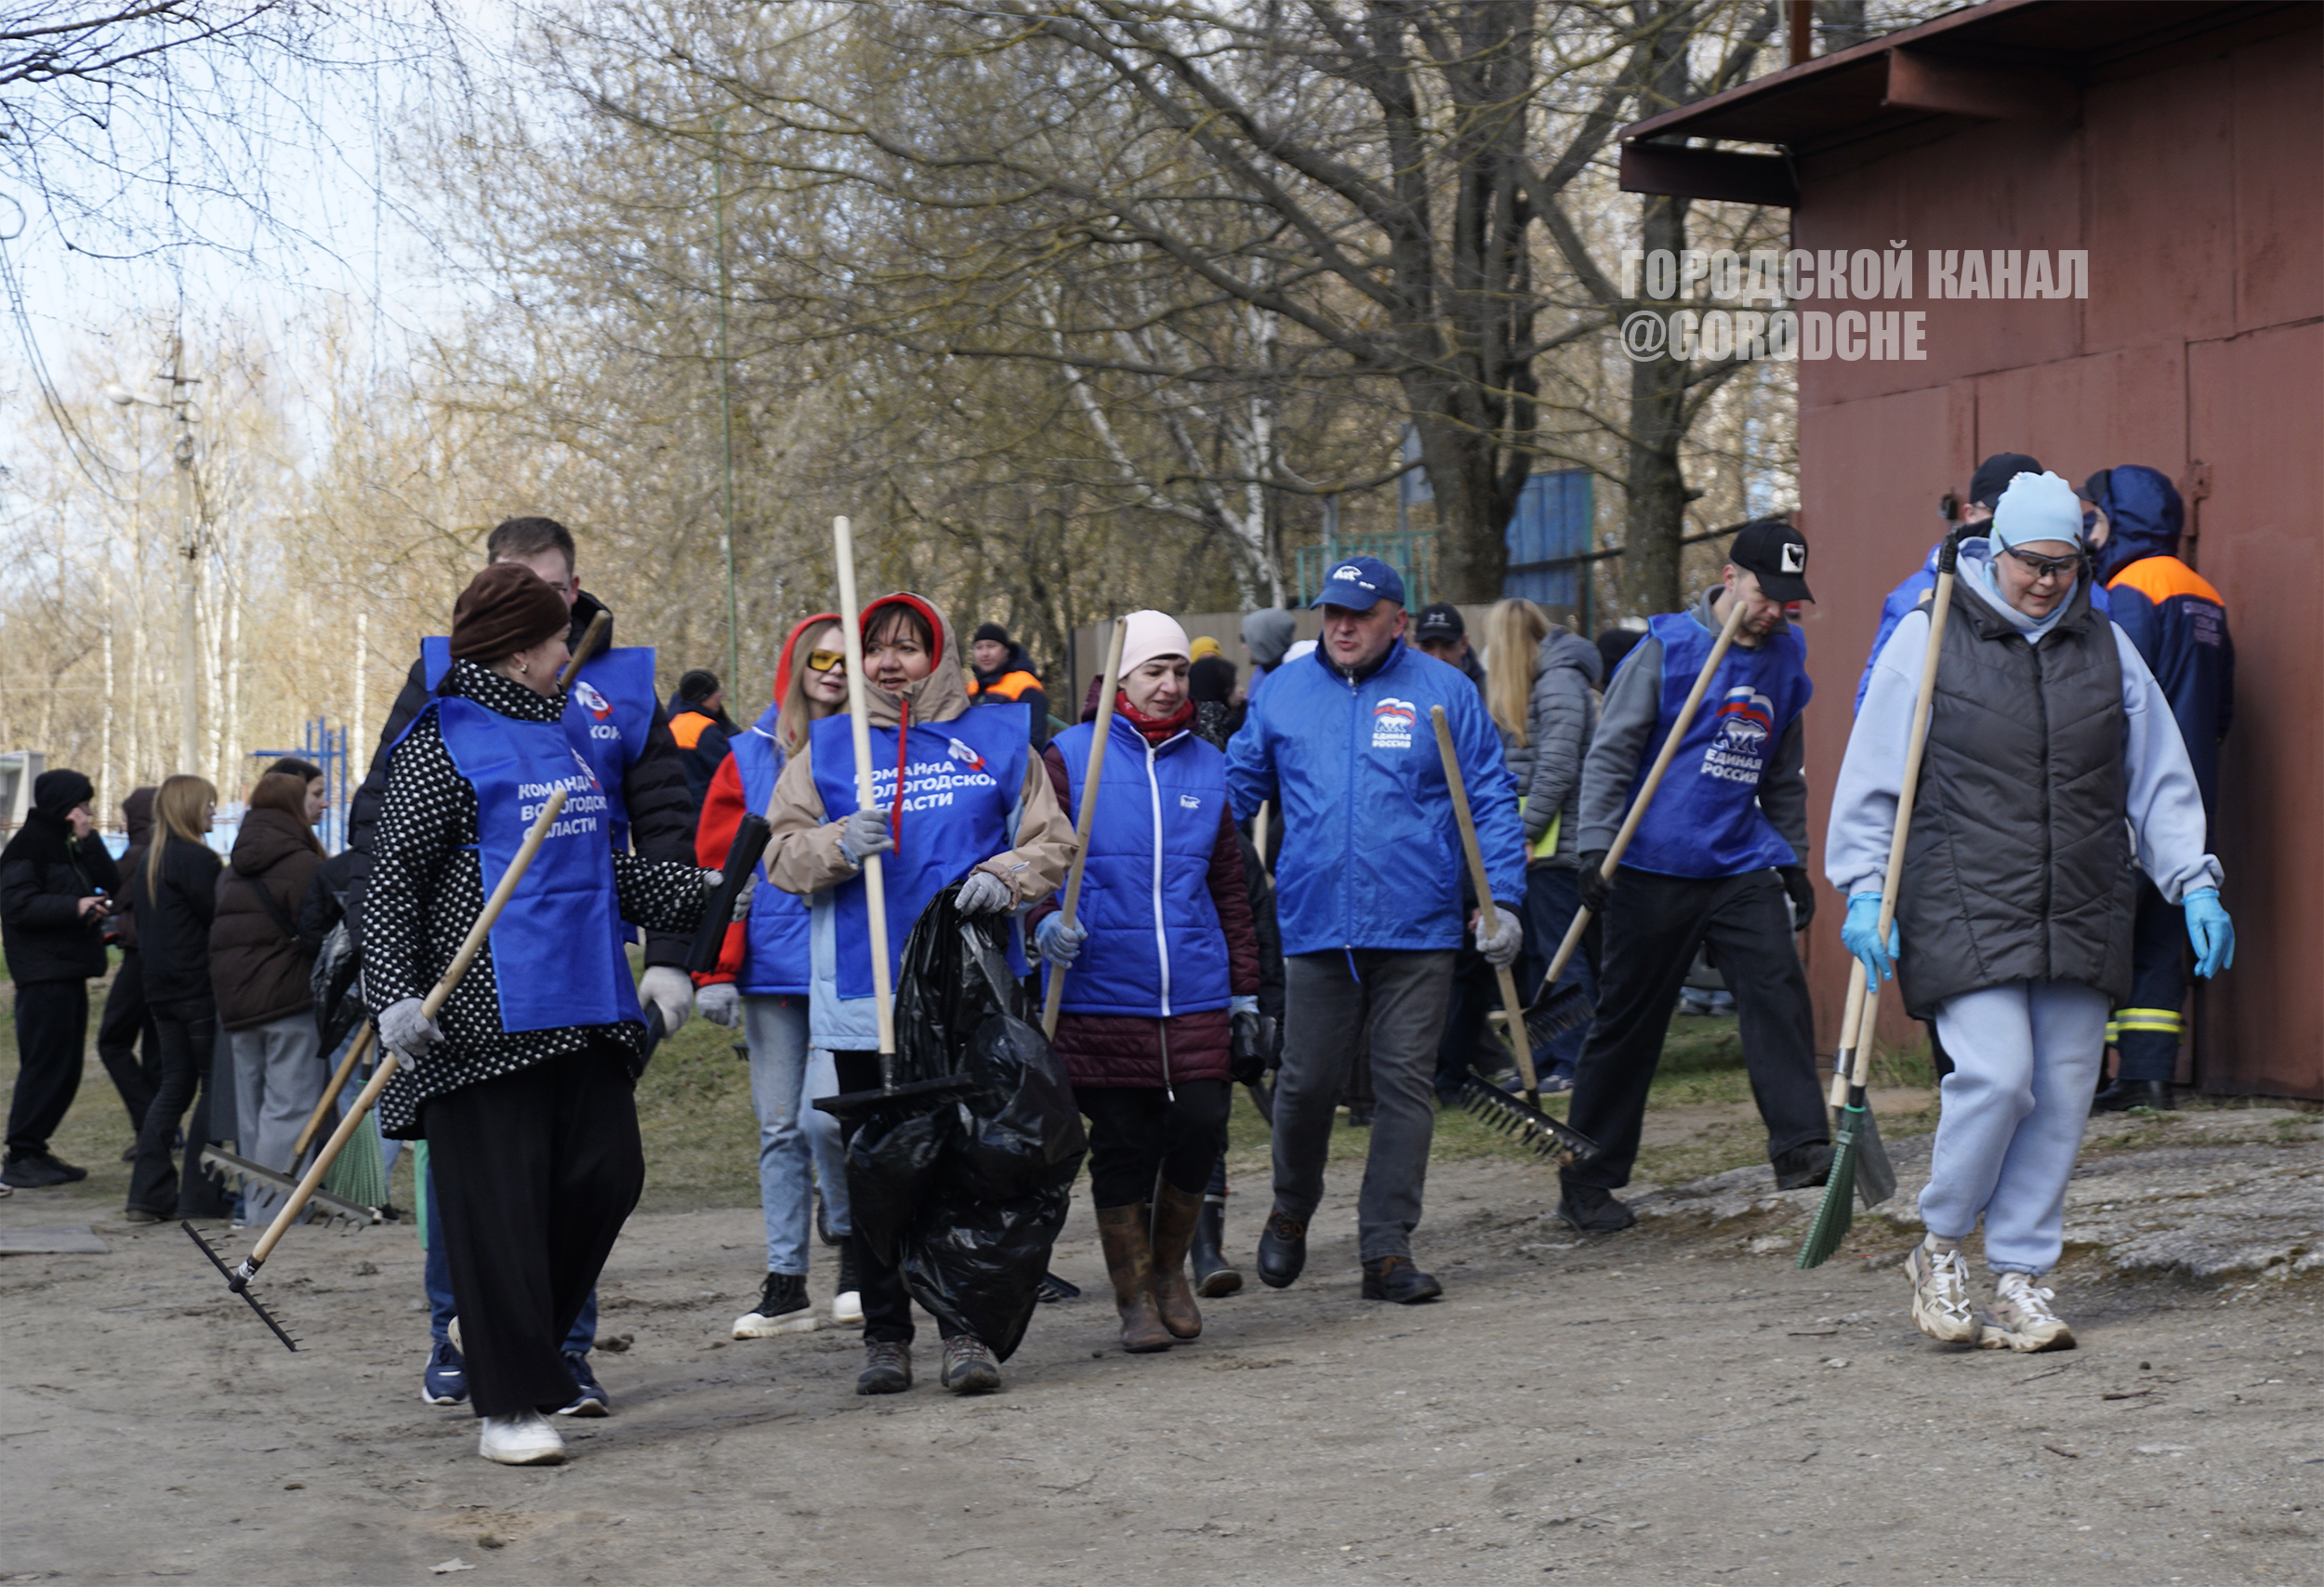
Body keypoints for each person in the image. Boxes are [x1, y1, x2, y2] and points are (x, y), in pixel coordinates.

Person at [1828, 470, 2229, 1352]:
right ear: (1993, 549)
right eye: (2030, 565)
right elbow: (1874, 775)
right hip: (1964, 896)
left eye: (2064, 566)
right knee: (1999, 1078)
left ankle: (2021, 1274)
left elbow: (2158, 774)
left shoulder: (2109, 645)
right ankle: (1940, 1246)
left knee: (2061, 1096)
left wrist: (2192, 879)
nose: (2046, 582)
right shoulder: (1927, 636)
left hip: (2083, 898)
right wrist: (1865, 886)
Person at [363, 563, 725, 1465]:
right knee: (499, 1215)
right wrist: (393, 997)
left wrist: (708, 894)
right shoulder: (440, 739)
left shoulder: (564, 735)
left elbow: (605, 872)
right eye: (561, 638)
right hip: (479, 1022)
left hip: (585, 1008)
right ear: (523, 651)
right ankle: (509, 1400)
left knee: (609, 1175)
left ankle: (515, 1349)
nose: (573, 651)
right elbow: (392, 876)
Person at [766, 591, 1075, 1395]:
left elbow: (1050, 840)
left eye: (910, 646)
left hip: (966, 992)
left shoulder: (999, 738)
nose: (891, 662)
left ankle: (965, 1331)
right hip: (866, 991)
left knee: (966, 1163)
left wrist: (1003, 877)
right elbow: (781, 856)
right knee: (880, 1165)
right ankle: (885, 1331)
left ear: (938, 655)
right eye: (877, 649)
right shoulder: (829, 749)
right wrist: (836, 842)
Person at [1225, 556, 1525, 1304]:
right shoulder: (1283, 693)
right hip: (1316, 922)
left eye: (1359, 614)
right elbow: (1233, 793)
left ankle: (1386, 1247)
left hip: (1418, 924)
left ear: (1398, 618)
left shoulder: (1445, 692)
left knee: (1404, 1086)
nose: (1343, 626)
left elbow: (1488, 798)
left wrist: (1505, 901)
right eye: (1332, 613)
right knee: (1303, 1084)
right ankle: (1292, 1208)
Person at [1556, 520, 1829, 1235]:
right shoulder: (1665, 650)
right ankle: (1587, 1178)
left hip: (1738, 858)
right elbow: (1611, 757)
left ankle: (1802, 1146)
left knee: (1777, 987)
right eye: (1766, 595)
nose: (1775, 611)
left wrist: (1792, 858)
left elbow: (1783, 772)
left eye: (1787, 602)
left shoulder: (1785, 658)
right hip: (1651, 864)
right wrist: (1593, 848)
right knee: (1629, 1021)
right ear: (1732, 577)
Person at [1028, 611, 1260, 1354]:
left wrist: (1246, 991)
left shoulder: (1207, 763)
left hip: (1192, 984)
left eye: (1178, 672)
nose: (1167, 685)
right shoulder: (1068, 757)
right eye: (1152, 671)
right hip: (1100, 984)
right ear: (1119, 678)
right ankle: (1132, 1297)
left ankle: (1169, 1273)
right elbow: (1037, 860)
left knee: (1199, 1125)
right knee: (1123, 1142)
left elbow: (1230, 886)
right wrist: (1040, 922)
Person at [694, 614, 860, 1337]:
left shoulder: (874, 748)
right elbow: (717, 871)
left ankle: (856, 1259)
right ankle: (787, 1281)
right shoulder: (743, 755)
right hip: (766, 964)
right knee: (778, 1126)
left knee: (829, 1116)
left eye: (845, 659)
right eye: (819, 657)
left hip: (844, 957)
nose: (832, 669)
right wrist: (711, 968)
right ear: (796, 663)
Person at [2079, 467, 2233, 1113]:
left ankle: (2085, 1077)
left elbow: (2116, 694)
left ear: (2123, 518)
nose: (2088, 528)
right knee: (2163, 937)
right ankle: (2147, 1075)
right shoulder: (2204, 594)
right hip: (2193, 788)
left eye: (2096, 515)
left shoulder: (2129, 589)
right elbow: (2221, 707)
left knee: (2106, 934)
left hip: (2133, 791)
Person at [212, 771, 328, 1225]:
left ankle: (256, 1211)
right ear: (292, 805)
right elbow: (322, 935)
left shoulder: (231, 869)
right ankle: (274, 1219)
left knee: (252, 1116)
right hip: (288, 1003)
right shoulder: (303, 866)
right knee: (290, 1111)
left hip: (238, 1009)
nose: (321, 806)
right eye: (314, 797)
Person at [1, 770, 122, 1189]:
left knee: (65, 1068)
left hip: (65, 969)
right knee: (46, 1064)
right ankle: (22, 1151)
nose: (89, 812)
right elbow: (18, 906)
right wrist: (75, 906)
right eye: (83, 804)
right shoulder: (30, 847)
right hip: (43, 974)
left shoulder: (67, 845)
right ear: (64, 806)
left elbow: (116, 883)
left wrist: (89, 841)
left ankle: (33, 1148)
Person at [1501, 601, 1604, 1091]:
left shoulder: (1557, 682)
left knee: (1563, 955)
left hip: (1558, 846)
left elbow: (1558, 768)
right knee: (1543, 956)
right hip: (1543, 844)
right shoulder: (1549, 681)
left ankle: (1574, 1060)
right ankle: (1542, 1059)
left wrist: (1525, 831)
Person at [123, 776, 224, 1220]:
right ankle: (201, 1197)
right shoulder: (198, 860)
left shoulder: (151, 860)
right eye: (208, 806)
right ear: (188, 809)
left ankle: (146, 1194)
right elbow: (216, 921)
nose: (214, 813)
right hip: (197, 989)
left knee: (173, 1088)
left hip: (161, 991)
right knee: (211, 1089)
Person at [94, 787, 164, 1149]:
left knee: (112, 1041)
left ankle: (151, 1122)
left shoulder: (137, 856)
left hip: (139, 955)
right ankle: (157, 1130)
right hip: (163, 957)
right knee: (155, 1046)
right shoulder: (165, 851)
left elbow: (114, 892)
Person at [966, 621, 1050, 748]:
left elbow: (1035, 739)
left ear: (1006, 651)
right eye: (979, 647)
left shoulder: (1025, 684)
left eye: (991, 646)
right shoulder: (971, 688)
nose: (985, 654)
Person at [667, 668, 738, 811]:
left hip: (679, 812)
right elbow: (730, 773)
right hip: (705, 813)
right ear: (702, 697)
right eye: (714, 692)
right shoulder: (706, 730)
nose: (720, 695)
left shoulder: (672, 724)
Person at [1412, 602, 1486, 687]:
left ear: (1464, 644)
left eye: (1447, 646)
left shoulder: (1486, 692)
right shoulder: (1400, 686)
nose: (1438, 657)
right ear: (1415, 645)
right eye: (1428, 646)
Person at [1238, 607, 1297, 705]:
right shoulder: (1262, 672)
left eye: (1246, 639)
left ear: (1262, 641)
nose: (1243, 647)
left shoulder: (1293, 682)